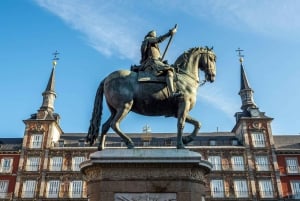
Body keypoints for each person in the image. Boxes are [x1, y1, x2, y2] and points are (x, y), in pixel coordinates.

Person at [140, 27, 181, 97]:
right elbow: (159, 39)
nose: (155, 35)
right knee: (169, 70)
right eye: (154, 34)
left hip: (156, 61)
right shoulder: (148, 39)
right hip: (152, 62)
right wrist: (169, 33)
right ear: (150, 35)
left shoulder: (152, 45)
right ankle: (172, 93)